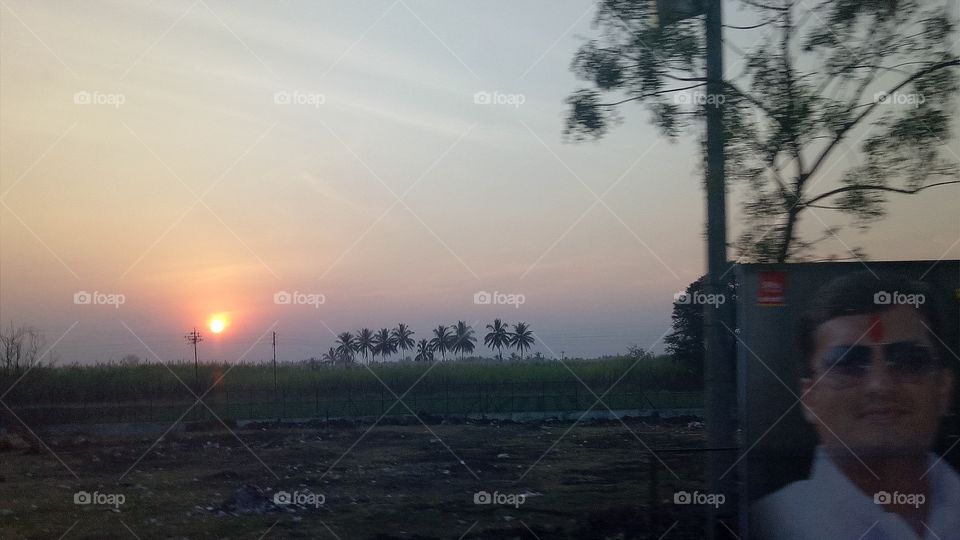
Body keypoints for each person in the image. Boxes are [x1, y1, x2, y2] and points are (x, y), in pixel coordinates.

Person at [752, 272, 959, 540]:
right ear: (809, 397)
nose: (880, 385)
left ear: (943, 389)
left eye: (908, 360)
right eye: (847, 363)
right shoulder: (768, 523)